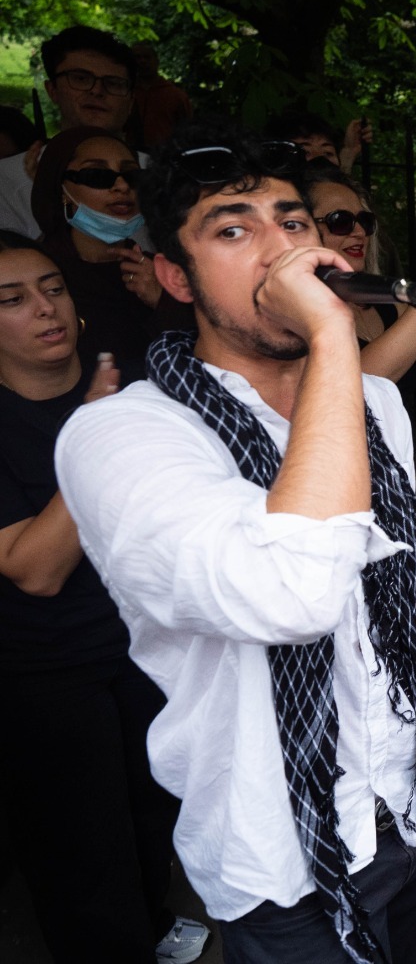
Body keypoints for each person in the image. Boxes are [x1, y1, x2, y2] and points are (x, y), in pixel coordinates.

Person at [54, 124, 416, 963]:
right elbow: (294, 593)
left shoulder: (375, 406)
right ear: (175, 277)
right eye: (233, 228)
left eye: (293, 222)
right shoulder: (123, 436)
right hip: (279, 857)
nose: (281, 249)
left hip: (407, 807)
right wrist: (332, 336)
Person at [0, 233, 208, 964]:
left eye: (53, 288)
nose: (45, 308)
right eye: (13, 299)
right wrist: (94, 434)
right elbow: (35, 569)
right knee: (82, 843)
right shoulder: (95, 407)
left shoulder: (129, 380)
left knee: (153, 811)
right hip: (46, 668)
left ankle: (146, 925)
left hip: (146, 647)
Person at [299, 164, 416, 409]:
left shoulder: (389, 305)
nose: (359, 232)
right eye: (341, 221)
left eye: (365, 221)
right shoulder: (292, 311)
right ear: (298, 228)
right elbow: (356, 385)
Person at [29, 125, 165, 380]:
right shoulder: (33, 275)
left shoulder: (162, 271)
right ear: (61, 189)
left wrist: (165, 303)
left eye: (132, 176)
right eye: (97, 175)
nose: (121, 186)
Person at [0, 25, 138, 238]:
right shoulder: (6, 180)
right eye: (80, 78)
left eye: (113, 83)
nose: (97, 91)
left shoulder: (162, 175)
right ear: (52, 90)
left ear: (131, 101)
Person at [129, 42, 193, 149]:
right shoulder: (124, 92)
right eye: (137, 57)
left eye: (147, 57)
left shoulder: (175, 95)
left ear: (156, 61)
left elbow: (187, 128)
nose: (142, 61)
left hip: (165, 153)